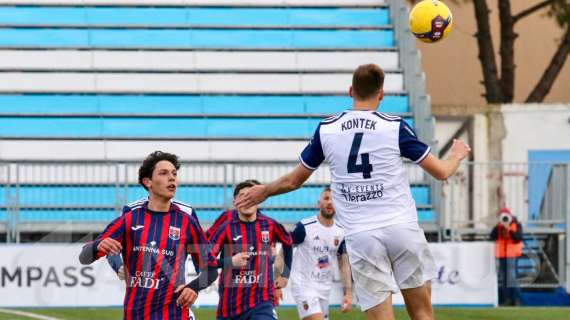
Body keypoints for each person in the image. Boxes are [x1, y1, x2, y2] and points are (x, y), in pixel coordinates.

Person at [235, 64, 471, 320]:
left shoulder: (328, 129)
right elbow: (441, 172)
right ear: (381, 94)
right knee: (422, 313)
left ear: (350, 91)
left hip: (362, 235)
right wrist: (456, 156)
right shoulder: (394, 126)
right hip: (402, 228)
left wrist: (265, 191)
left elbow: (294, 180)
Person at [79, 151, 218, 320]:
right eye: (164, 173)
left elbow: (210, 270)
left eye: (174, 173)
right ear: (148, 182)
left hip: (174, 313)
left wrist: (193, 287)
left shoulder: (187, 221)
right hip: (136, 314)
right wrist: (97, 246)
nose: (172, 178)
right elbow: (84, 257)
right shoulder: (130, 218)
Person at [209, 180, 293, 320]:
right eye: (242, 196)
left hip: (261, 302)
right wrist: (230, 261)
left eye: (250, 196)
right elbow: (205, 260)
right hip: (229, 305)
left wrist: (285, 275)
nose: (246, 200)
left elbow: (288, 243)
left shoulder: (270, 225)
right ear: (235, 202)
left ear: (258, 200)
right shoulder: (226, 227)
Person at [106, 198, 202, 320]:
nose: (171, 179)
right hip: (141, 302)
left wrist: (196, 286)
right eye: (164, 176)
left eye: (173, 177)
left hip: (173, 302)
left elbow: (202, 259)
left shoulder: (187, 212)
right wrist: (118, 266)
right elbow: (111, 246)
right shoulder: (131, 210)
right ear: (148, 181)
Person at [289, 186, 352, 320]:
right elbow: (286, 248)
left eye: (334, 199)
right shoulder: (304, 226)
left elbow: (344, 264)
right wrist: (281, 276)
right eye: (326, 198)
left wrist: (348, 293)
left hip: (324, 287)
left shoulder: (340, 232)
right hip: (303, 284)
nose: (330, 202)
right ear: (319, 204)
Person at [490, 207, 523, 306]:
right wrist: (498, 226)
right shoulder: (499, 226)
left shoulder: (516, 225)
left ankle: (516, 299)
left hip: (512, 254)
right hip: (502, 254)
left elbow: (518, 238)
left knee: (511, 278)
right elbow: (492, 236)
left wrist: (509, 229)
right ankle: (506, 299)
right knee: (504, 278)